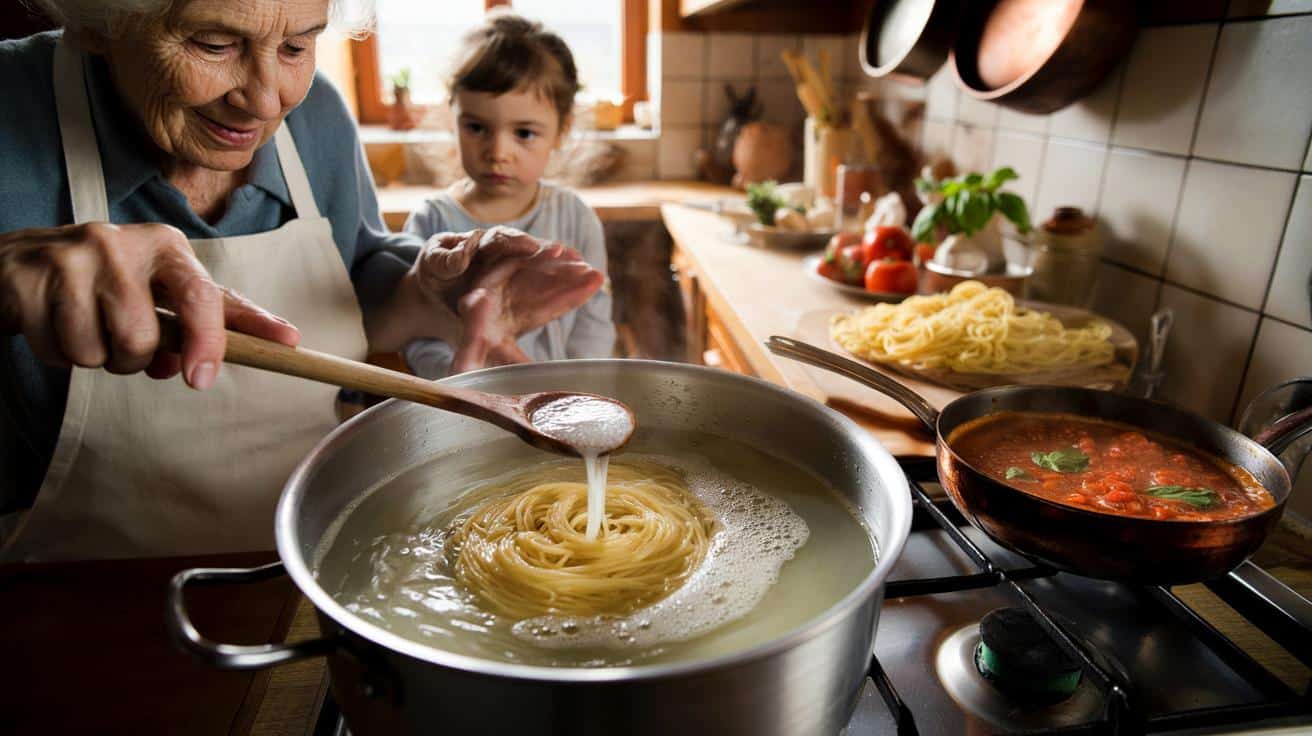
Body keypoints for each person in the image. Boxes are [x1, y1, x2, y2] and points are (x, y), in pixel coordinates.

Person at [0, 0, 605, 562]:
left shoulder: (317, 118)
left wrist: (427, 296)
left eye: (297, 46)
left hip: (315, 555)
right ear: (97, 20)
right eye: (214, 44)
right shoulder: (12, 107)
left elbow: (356, 294)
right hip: (83, 594)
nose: (268, 102)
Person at [402, 12, 615, 378]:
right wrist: (460, 380)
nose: (498, 152)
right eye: (476, 128)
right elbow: (417, 337)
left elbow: (593, 325)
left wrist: (578, 389)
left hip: (556, 401)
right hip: (460, 399)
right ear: (453, 118)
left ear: (561, 131)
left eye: (524, 133)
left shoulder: (576, 218)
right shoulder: (431, 220)